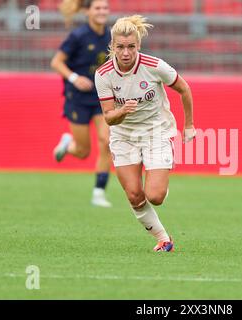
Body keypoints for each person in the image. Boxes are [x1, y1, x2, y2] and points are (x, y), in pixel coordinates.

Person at [94, 15, 196, 252]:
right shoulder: (103, 74)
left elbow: (184, 89)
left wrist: (189, 125)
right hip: (123, 135)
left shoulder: (154, 66)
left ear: (138, 46)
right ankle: (163, 239)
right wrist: (122, 111)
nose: (126, 52)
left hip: (155, 131)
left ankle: (159, 177)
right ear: (112, 46)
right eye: (120, 47)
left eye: (131, 47)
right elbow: (108, 117)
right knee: (134, 195)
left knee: (155, 196)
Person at [51, 0, 113, 207]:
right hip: (77, 98)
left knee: (106, 141)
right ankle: (69, 145)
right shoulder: (78, 36)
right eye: (98, 8)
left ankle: (98, 193)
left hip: (100, 97)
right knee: (83, 151)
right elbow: (56, 62)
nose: (102, 11)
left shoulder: (111, 36)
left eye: (105, 8)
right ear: (88, 11)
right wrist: (74, 78)